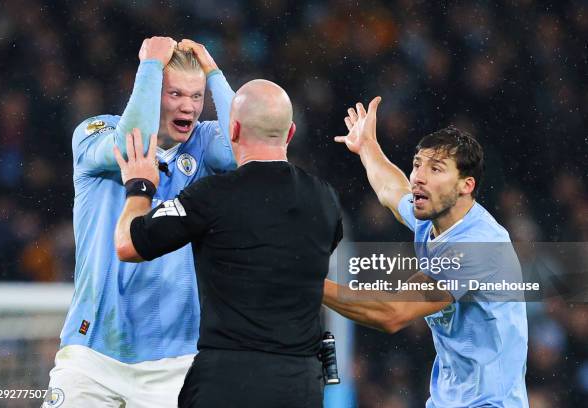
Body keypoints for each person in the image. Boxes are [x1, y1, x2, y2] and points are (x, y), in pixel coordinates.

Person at [113, 79, 343, 408]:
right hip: (300, 383)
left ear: (232, 130)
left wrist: (139, 187)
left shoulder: (212, 196)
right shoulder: (325, 198)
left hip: (227, 380)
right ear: (290, 133)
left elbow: (127, 244)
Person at [43, 37, 236, 408]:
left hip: (174, 360)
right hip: (92, 352)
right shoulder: (94, 132)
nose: (189, 107)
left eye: (196, 97)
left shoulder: (203, 143)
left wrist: (213, 72)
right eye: (176, 93)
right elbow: (135, 141)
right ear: (149, 91)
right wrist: (149, 65)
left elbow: (240, 148)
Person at [323, 97, 528, 407]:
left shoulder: (479, 247)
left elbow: (393, 313)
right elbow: (392, 191)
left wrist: (305, 283)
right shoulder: (432, 218)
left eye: (436, 168)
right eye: (418, 164)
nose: (418, 176)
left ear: (465, 185)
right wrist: (367, 147)